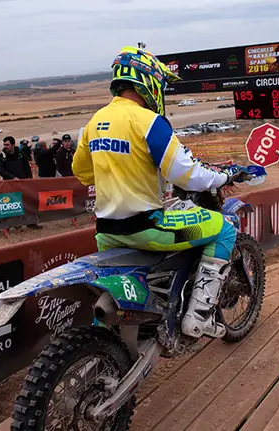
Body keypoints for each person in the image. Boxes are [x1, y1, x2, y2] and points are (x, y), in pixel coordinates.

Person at [72, 45, 250, 339]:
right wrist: (220, 177)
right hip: (149, 230)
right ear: (148, 81)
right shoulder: (148, 121)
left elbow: (81, 172)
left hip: (106, 233)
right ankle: (200, 317)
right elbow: (187, 174)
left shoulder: (94, 122)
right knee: (224, 229)